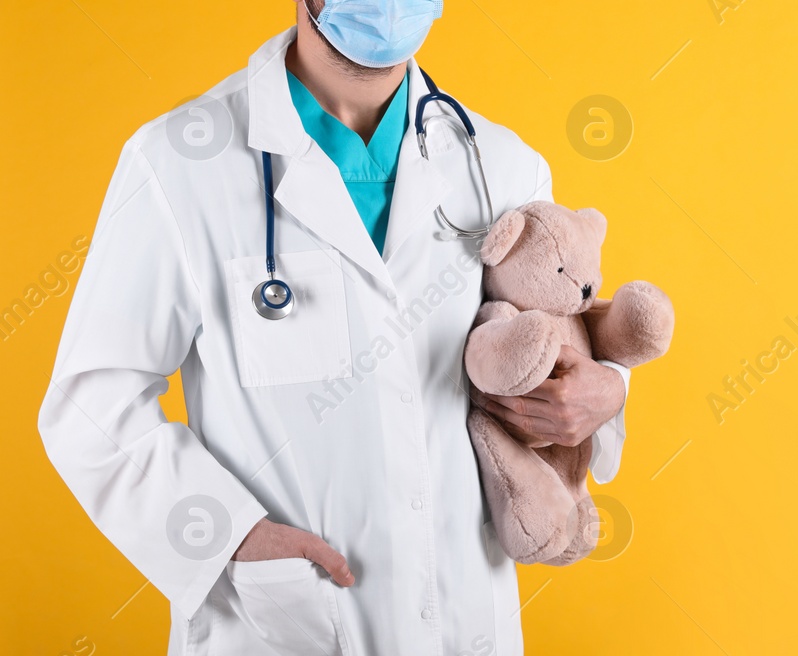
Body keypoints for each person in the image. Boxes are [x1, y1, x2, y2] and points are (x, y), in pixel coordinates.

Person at [37, 1, 632, 653]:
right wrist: (229, 537)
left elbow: (562, 344)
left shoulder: (501, 165)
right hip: (276, 626)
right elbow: (89, 405)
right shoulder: (178, 162)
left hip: (465, 619)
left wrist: (605, 395)